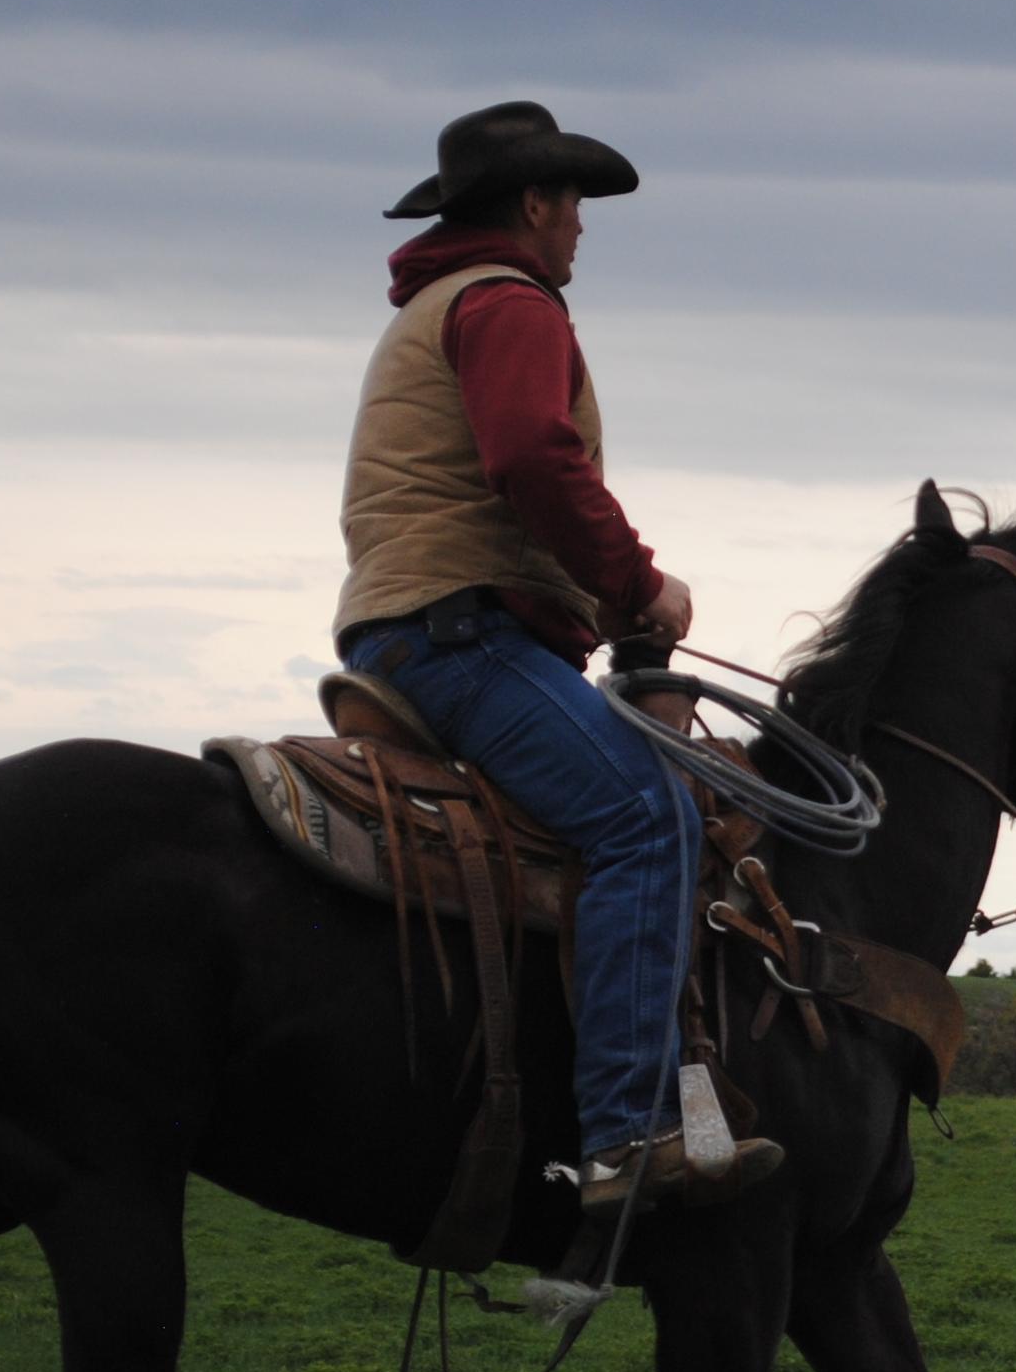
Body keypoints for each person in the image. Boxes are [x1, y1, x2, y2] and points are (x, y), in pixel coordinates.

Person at [329, 101, 779, 1214]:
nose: (581, 227)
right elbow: (535, 459)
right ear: (535, 205)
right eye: (573, 204)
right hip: (459, 631)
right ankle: (626, 1139)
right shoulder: (510, 301)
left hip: (427, 621)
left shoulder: (445, 301)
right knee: (647, 818)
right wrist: (640, 588)